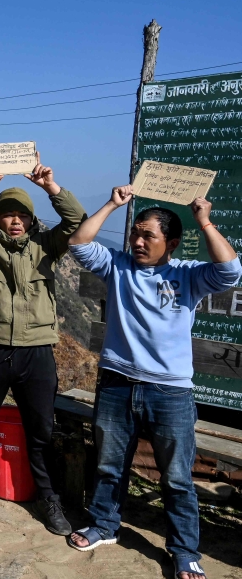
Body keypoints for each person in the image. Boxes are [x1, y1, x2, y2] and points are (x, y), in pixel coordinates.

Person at [67, 187, 240, 579]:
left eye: (149, 236)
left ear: (172, 243)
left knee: (177, 477)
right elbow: (79, 242)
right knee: (110, 465)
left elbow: (231, 271)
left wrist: (205, 221)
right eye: (136, 234)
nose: (139, 242)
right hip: (116, 382)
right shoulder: (118, 266)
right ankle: (104, 526)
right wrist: (113, 205)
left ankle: (183, 551)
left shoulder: (189, 276)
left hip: (170, 391)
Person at [0, 155, 86, 535]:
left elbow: (77, 223)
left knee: (41, 429)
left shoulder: (47, 245)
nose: (16, 220)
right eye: (7, 214)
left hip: (36, 351)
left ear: (32, 219)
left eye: (22, 214)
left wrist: (50, 187)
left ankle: (48, 497)